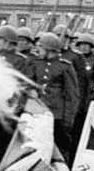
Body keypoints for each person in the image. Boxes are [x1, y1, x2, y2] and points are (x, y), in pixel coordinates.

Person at [26, 32, 80, 162]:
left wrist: (68, 119)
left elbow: (72, 95)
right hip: (39, 112)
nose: (37, 49)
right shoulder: (36, 63)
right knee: (39, 144)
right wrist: (30, 91)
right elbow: (27, 83)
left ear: (49, 49)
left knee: (61, 145)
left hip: (58, 114)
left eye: (41, 47)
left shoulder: (64, 66)